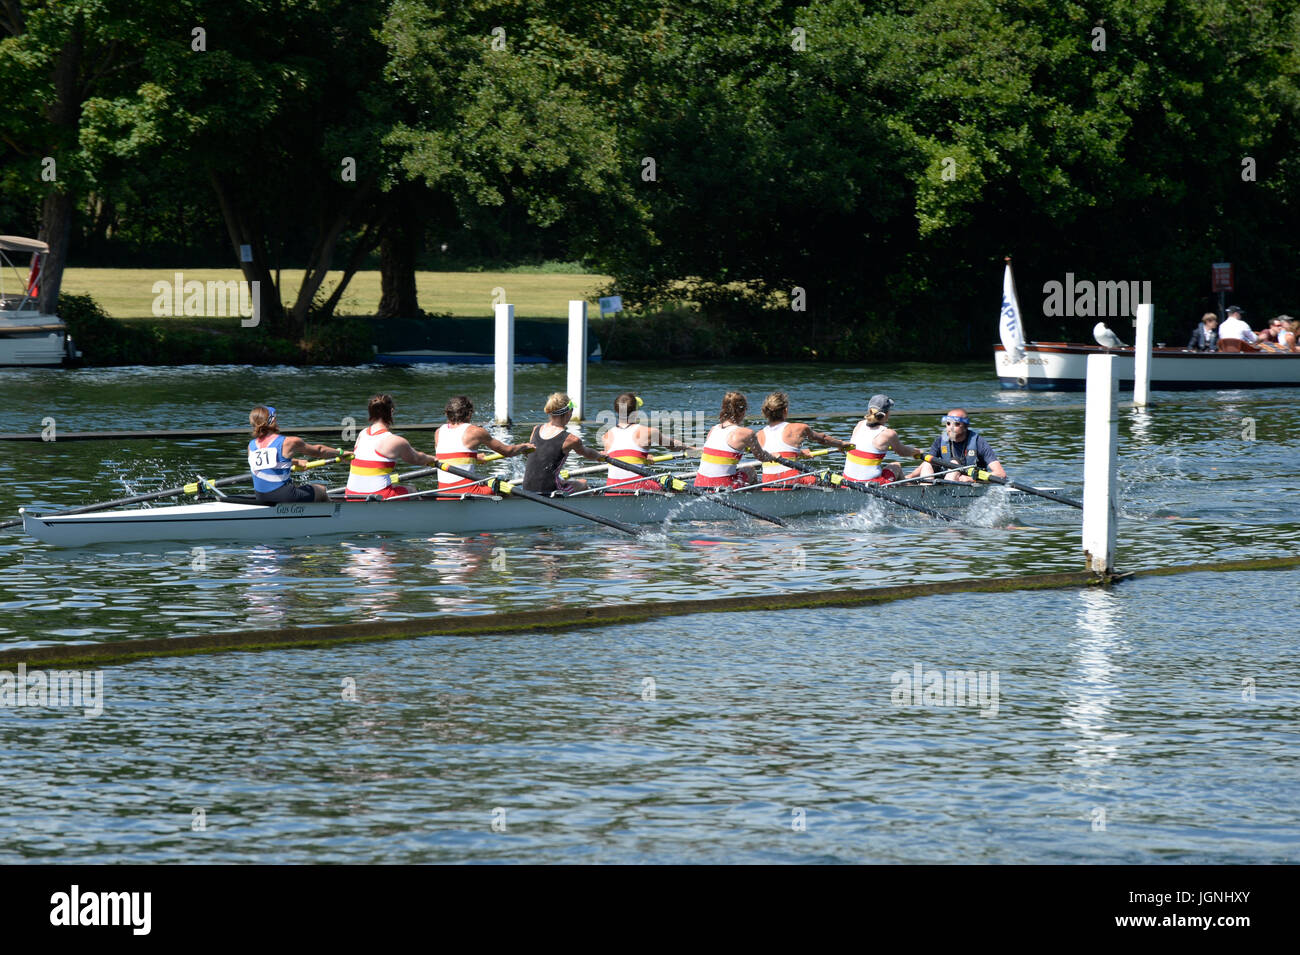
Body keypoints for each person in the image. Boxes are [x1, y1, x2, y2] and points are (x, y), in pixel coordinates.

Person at [433, 395, 533, 498]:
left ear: (447, 413)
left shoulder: (439, 432)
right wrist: (523, 446)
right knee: (505, 488)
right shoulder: (475, 431)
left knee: (486, 482)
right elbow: (508, 452)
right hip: (467, 492)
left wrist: (473, 458)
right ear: (469, 414)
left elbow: (446, 458)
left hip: (443, 493)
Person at [601, 392, 696, 495]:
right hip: (637, 485)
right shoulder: (648, 432)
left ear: (616, 411)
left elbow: (623, 458)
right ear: (636, 412)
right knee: (673, 486)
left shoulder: (606, 436)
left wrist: (642, 458)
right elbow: (673, 445)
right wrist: (690, 449)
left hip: (611, 489)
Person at [346, 394, 436, 500]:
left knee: (392, 485)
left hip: (350, 494)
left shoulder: (362, 434)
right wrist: (434, 459)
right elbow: (417, 459)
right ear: (391, 412)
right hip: (378, 496)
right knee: (412, 491)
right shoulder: (395, 441)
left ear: (370, 413)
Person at [248, 405, 342, 503]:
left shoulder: (251, 446)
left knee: (296, 487)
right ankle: (331, 515)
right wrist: (340, 453)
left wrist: (296, 462)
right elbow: (319, 451)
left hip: (261, 497)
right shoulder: (289, 442)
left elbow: (271, 461)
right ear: (273, 420)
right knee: (321, 490)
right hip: (284, 497)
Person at [755, 391, 851, 487]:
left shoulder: (759, 435)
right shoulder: (799, 428)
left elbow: (777, 449)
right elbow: (822, 439)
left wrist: (797, 452)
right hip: (792, 480)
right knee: (829, 480)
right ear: (785, 410)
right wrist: (841, 444)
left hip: (768, 482)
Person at [694, 391, 781, 489]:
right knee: (750, 470)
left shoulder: (713, 429)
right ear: (743, 411)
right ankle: (756, 499)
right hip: (723, 486)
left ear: (724, 409)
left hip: (699, 484)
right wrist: (774, 457)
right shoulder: (747, 433)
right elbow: (762, 457)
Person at [522, 393, 604, 494]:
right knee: (583, 483)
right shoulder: (571, 439)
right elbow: (588, 453)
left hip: (526, 488)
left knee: (561, 480)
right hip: (549, 491)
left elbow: (531, 456)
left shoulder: (536, 429)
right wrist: (600, 456)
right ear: (568, 413)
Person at [909, 408, 1007, 483]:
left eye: (956, 424)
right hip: (946, 480)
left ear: (966, 426)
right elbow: (928, 462)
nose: (951, 428)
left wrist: (971, 479)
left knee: (954, 463)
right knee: (927, 463)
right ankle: (925, 492)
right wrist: (909, 477)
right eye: (948, 423)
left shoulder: (979, 442)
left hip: (969, 482)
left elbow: (1000, 474)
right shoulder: (940, 441)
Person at [842, 395, 922, 484]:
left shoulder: (859, 425)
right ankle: (908, 491)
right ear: (887, 414)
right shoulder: (888, 434)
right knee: (896, 466)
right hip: (870, 484)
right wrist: (917, 451)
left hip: (847, 481)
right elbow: (902, 452)